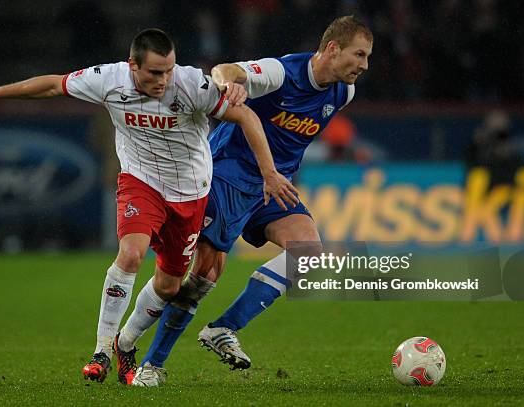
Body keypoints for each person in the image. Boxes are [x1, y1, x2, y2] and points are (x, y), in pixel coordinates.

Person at [0, 28, 298, 386]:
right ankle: (101, 349)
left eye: (168, 70)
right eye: (154, 73)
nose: (164, 80)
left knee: (169, 286)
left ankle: (126, 343)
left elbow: (247, 117)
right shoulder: (108, 79)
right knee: (131, 255)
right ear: (133, 65)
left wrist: (268, 172)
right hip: (140, 182)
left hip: (190, 193)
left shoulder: (193, 84)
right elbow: (54, 84)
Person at [137, 16, 373, 386]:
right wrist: (228, 86)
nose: (364, 65)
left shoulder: (343, 93)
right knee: (204, 275)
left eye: (367, 56)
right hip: (229, 176)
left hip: (273, 187)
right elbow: (224, 70)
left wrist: (273, 173)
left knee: (308, 251)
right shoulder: (281, 73)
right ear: (333, 49)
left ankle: (223, 329)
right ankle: (151, 364)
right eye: (359, 54)